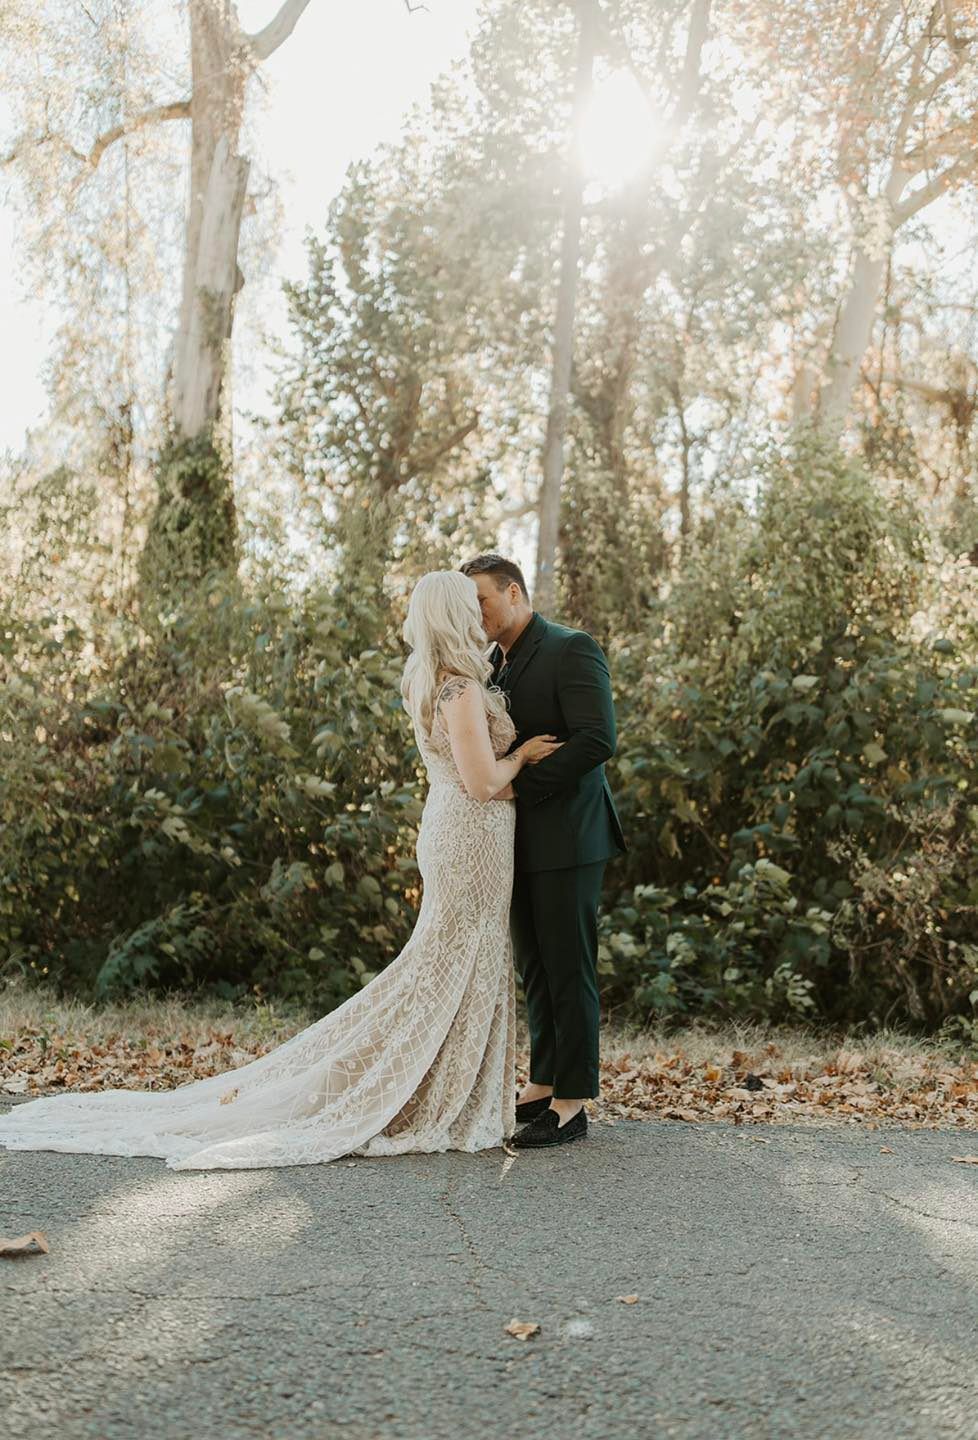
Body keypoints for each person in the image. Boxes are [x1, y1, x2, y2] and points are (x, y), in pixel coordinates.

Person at [0, 571, 561, 1171]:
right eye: (468, 606)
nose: (480, 614)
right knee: (451, 963)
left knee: (449, 963)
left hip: (454, 831)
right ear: (452, 615)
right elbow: (482, 782)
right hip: (470, 835)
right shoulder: (460, 690)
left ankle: (443, 1085)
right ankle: (426, 1090)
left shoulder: (434, 682)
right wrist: (522, 755)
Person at [460, 554, 626, 1149]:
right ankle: (544, 1080)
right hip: (516, 837)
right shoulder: (490, 663)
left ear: (512, 591)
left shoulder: (570, 647)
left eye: (479, 600)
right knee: (534, 963)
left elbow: (597, 738)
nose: (473, 612)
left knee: (568, 963)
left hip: (570, 836)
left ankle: (573, 1101)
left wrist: (523, 784)